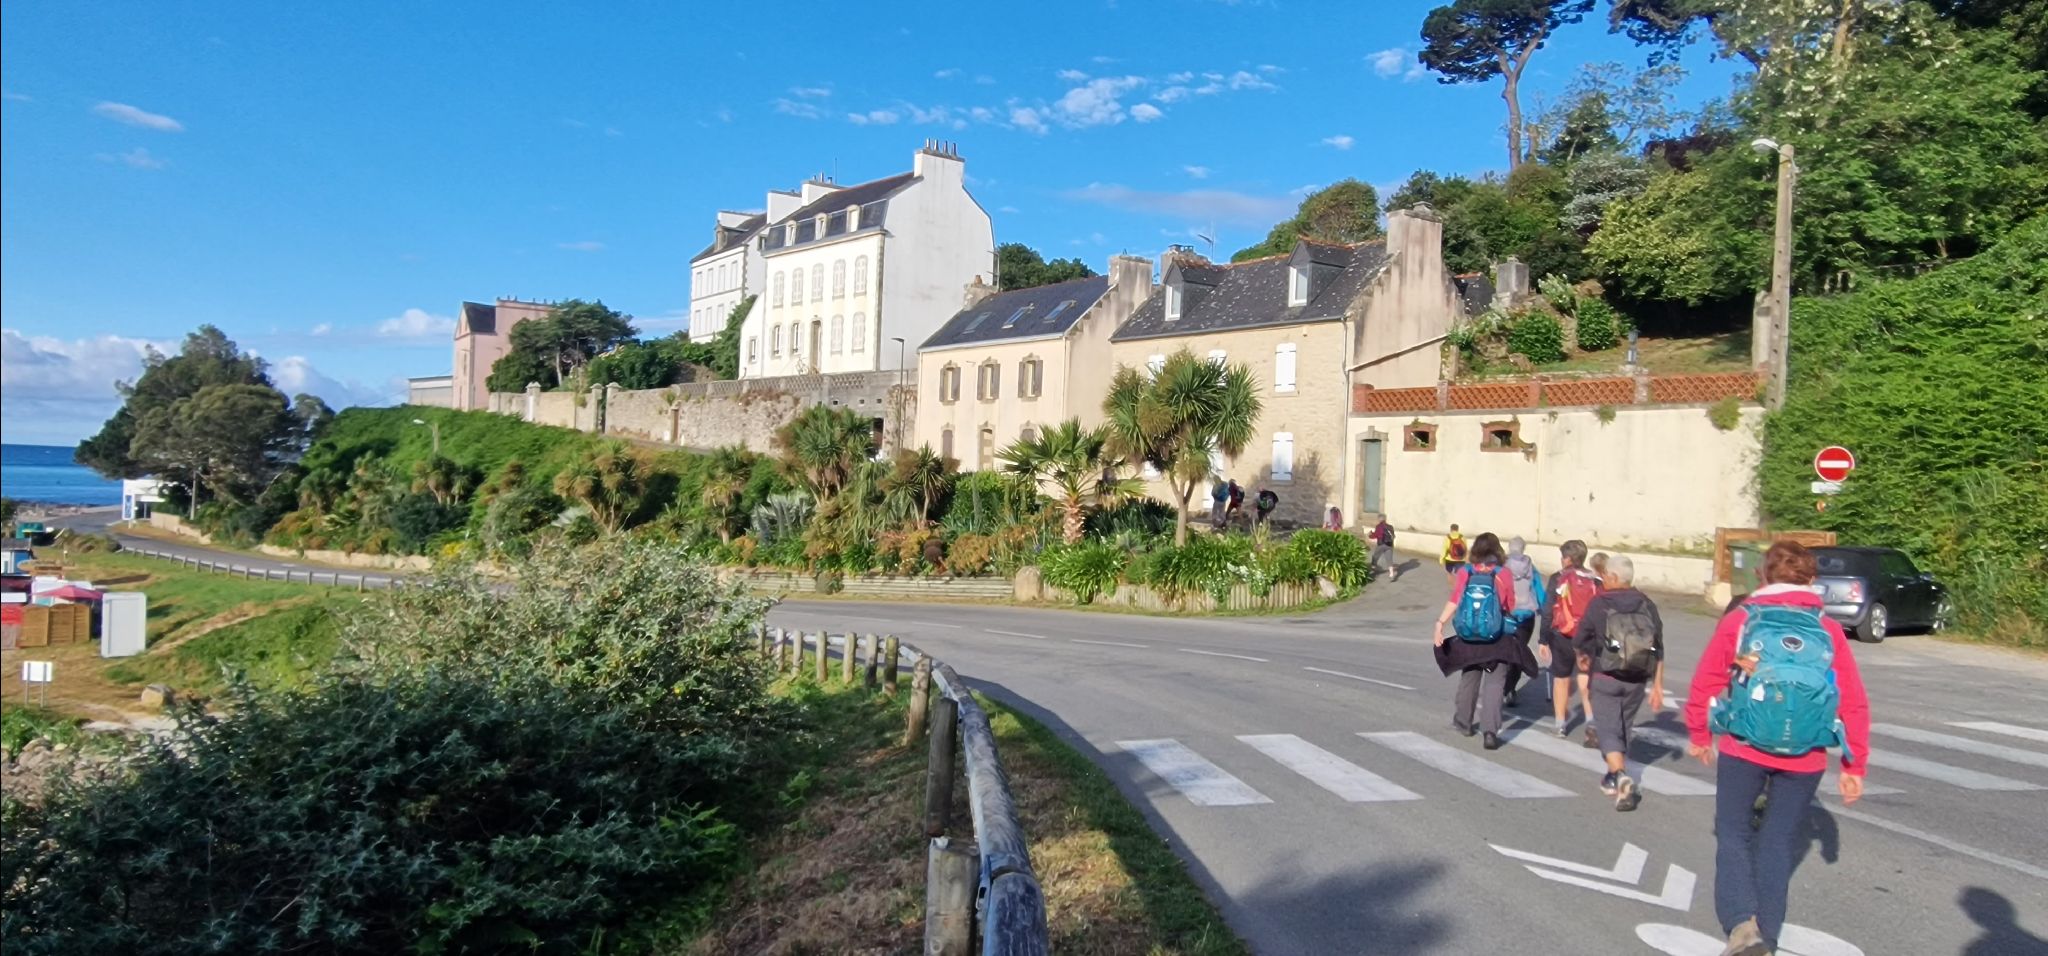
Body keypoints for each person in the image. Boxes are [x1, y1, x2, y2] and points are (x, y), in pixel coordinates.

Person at [1685, 541, 1869, 956]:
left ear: (1763, 575)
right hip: (1807, 756)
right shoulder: (1828, 629)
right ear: (1811, 580)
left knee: (1733, 833)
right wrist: (1854, 763)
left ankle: (1740, 925)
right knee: (1778, 841)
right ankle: (1766, 935)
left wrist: (1699, 733)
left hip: (1744, 746)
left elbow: (1708, 679)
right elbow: (1852, 700)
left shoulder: (1742, 620)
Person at [1431, 533, 1540, 750]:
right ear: (1497, 551)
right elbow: (1509, 604)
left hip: (1470, 637)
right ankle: (1490, 731)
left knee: (1470, 677)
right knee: (1495, 683)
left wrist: (1440, 623)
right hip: (1497, 637)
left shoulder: (1466, 572)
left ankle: (1463, 722)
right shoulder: (1503, 573)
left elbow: (1455, 600)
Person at [1574, 555, 1664, 812]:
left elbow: (1581, 638)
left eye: (1605, 575)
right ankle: (1613, 775)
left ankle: (1621, 776)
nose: (1603, 579)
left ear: (1612, 577)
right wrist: (1658, 684)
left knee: (1608, 730)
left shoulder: (1600, 603)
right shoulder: (1647, 604)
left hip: (1606, 675)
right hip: (1637, 677)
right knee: (1623, 726)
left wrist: (1581, 656)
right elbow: (1659, 647)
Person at [1545, 540, 1602, 743]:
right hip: (1587, 636)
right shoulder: (1595, 580)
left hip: (1562, 634)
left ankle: (1560, 724)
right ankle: (1591, 722)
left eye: (1563, 557)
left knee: (1561, 679)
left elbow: (1548, 609)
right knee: (1585, 677)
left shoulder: (1558, 578)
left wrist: (1543, 638)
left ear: (1568, 559)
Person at [1501, 537, 1548, 707]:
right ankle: (1510, 689)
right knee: (1519, 651)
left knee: (1502, 651)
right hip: (1526, 617)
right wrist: (1543, 609)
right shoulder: (1530, 567)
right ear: (1523, 548)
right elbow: (1539, 591)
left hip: (1506, 615)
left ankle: (1499, 686)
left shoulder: (1502, 567)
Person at [1370, 516, 1397, 581]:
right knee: (1389, 559)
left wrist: (1370, 535)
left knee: (1375, 556)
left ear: (1379, 519)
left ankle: (1373, 569)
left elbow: (1376, 535)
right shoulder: (1390, 527)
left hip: (1381, 545)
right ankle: (1391, 574)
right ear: (1385, 519)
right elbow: (1393, 536)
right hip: (1389, 545)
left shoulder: (1379, 526)